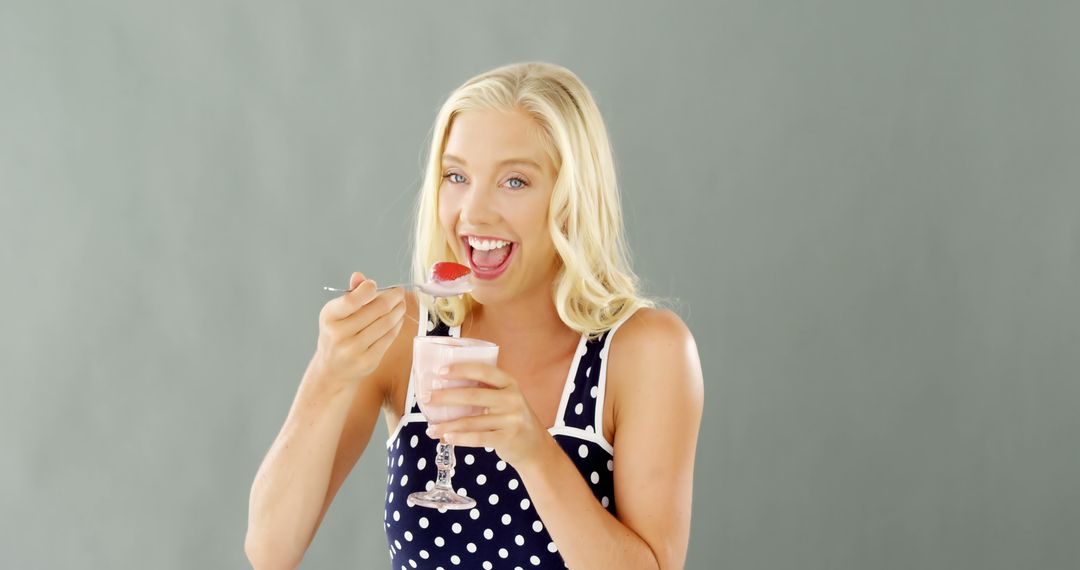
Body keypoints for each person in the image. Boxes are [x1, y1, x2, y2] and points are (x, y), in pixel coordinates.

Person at [246, 61, 704, 570]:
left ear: (573, 199)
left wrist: (532, 450)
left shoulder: (646, 351)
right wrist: (327, 376)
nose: (474, 211)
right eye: (456, 176)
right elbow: (269, 550)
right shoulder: (405, 337)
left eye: (514, 181)